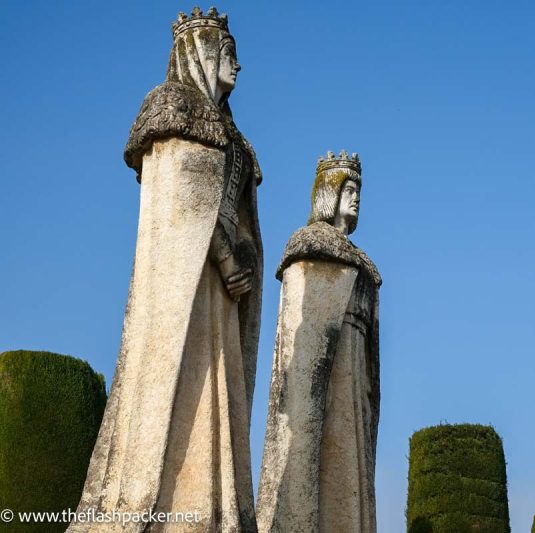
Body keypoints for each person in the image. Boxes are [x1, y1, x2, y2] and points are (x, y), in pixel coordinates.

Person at [69, 8, 262, 531]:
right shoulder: (171, 105)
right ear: (199, 51)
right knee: (175, 378)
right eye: (228, 52)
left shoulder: (235, 137)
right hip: (185, 277)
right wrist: (224, 255)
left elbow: (240, 214)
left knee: (218, 384)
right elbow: (182, 198)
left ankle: (213, 505)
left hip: (221, 288)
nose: (238, 65)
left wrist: (242, 257)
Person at [257, 151, 381, 533]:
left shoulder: (364, 263)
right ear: (330, 194)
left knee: (350, 460)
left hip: (354, 368)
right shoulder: (308, 245)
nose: (356, 197)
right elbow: (303, 327)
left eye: (359, 190)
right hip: (330, 371)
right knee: (324, 454)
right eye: (349, 189)